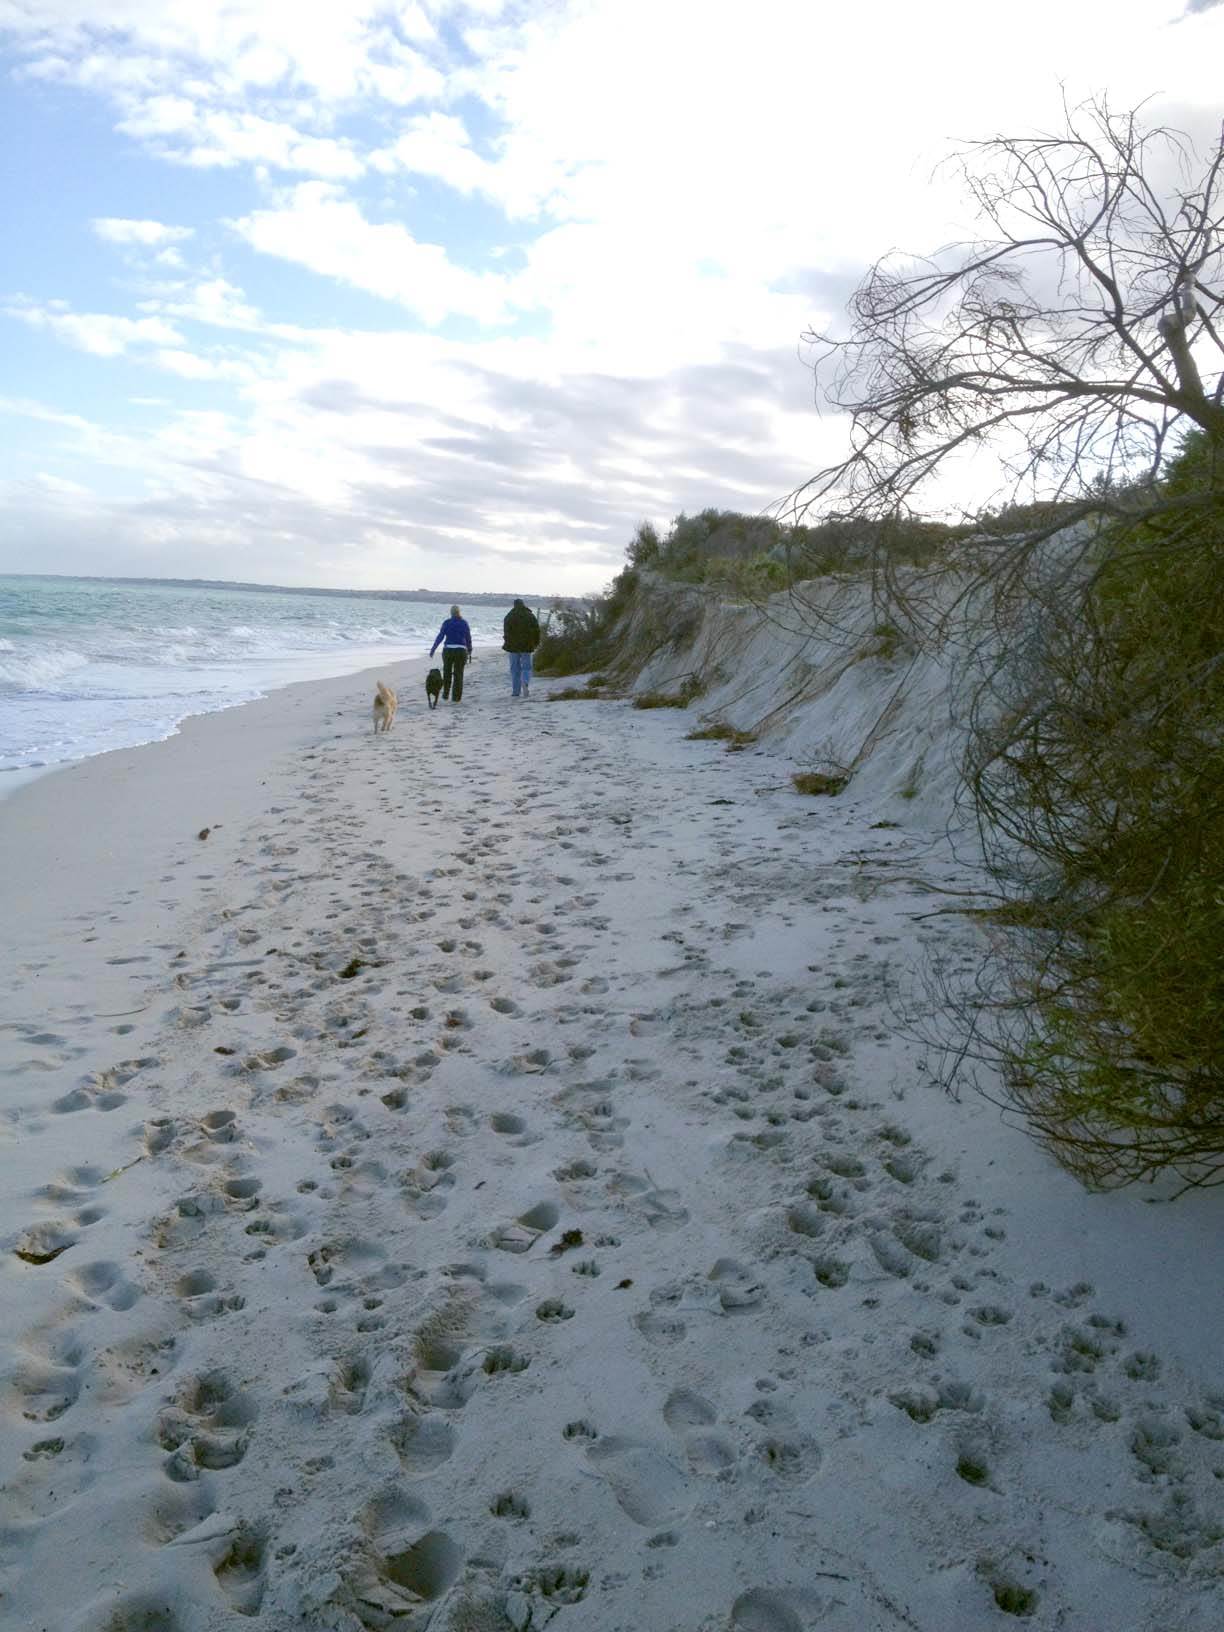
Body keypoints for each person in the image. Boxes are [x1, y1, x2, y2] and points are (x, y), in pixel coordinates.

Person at [429, 604, 473, 702]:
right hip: (461, 651)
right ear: (459, 612)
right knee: (459, 674)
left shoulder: (447, 623)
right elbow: (468, 638)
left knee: (447, 673)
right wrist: (470, 650)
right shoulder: (464, 623)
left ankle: (445, 694)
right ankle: (456, 698)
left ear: (451, 613)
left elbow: (440, 636)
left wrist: (433, 649)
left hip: (448, 650)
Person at [502, 597, 541, 698]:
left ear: (514, 605)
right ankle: (525, 682)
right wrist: (536, 643)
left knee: (514, 669)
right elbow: (537, 631)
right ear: (523, 605)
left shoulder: (509, 616)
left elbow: (506, 632)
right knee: (527, 667)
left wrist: (507, 643)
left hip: (512, 646)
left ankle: (516, 691)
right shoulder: (530, 616)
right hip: (527, 645)